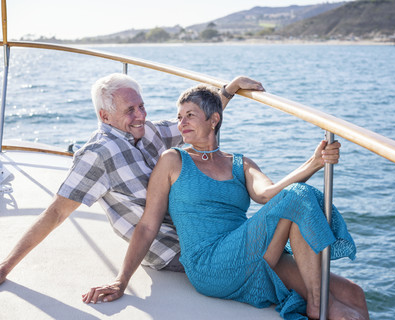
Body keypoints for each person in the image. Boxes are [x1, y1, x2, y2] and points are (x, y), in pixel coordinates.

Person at [83, 85, 369, 320]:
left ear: (214, 120)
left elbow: (268, 194)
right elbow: (147, 225)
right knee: (298, 197)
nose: (181, 123)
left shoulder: (240, 164)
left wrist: (314, 163)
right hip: (209, 264)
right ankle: (317, 305)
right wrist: (122, 281)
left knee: (353, 293)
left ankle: (318, 302)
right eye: (179, 116)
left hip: (250, 252)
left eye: (190, 115)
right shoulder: (173, 160)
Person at [0, 73, 265, 283]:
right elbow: (56, 213)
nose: (140, 115)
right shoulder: (99, 154)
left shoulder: (147, 131)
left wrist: (229, 90)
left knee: (280, 242)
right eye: (130, 110)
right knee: (274, 251)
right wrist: (5, 267)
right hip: (177, 251)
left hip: (206, 232)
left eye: (142, 106)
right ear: (104, 116)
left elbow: (198, 121)